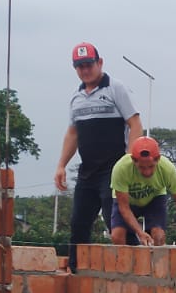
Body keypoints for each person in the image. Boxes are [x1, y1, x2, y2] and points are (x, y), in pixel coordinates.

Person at [52, 42, 142, 256]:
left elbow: (135, 124)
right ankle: (75, 269)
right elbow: (73, 133)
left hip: (113, 169)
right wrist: (61, 165)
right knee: (78, 223)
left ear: (99, 63)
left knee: (116, 223)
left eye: (88, 65)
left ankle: (136, 266)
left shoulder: (115, 88)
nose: (85, 70)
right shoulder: (76, 97)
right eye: (80, 66)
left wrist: (129, 161)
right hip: (87, 172)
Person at [109, 137, 176, 247]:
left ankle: (157, 258)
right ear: (133, 160)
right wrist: (140, 233)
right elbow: (124, 208)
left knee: (158, 236)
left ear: (158, 159)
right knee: (117, 236)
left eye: (151, 166)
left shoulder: (167, 169)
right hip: (128, 202)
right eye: (141, 167)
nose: (147, 172)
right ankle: (123, 258)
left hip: (154, 199)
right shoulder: (121, 168)